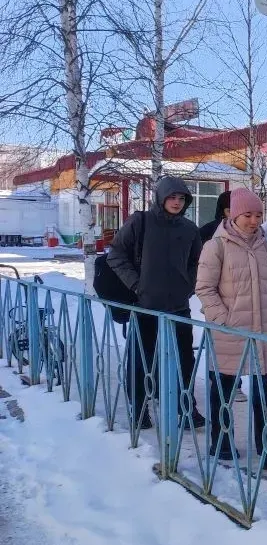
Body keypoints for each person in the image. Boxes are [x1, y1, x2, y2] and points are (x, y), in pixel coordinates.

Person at [195, 188, 267, 468]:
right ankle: (221, 443)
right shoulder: (216, 245)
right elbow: (204, 288)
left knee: (263, 388)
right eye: (247, 215)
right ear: (234, 215)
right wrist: (224, 319)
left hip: (261, 329)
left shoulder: (264, 245)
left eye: (258, 215)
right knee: (223, 388)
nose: (253, 220)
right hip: (229, 331)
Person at [107, 176, 204, 431]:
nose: (177, 202)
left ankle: (185, 409)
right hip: (145, 306)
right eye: (172, 197)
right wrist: (137, 285)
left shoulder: (189, 229)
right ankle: (139, 410)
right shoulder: (141, 222)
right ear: (160, 198)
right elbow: (115, 254)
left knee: (184, 361)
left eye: (181, 198)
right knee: (141, 361)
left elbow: (197, 262)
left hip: (178, 307)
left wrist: (188, 286)